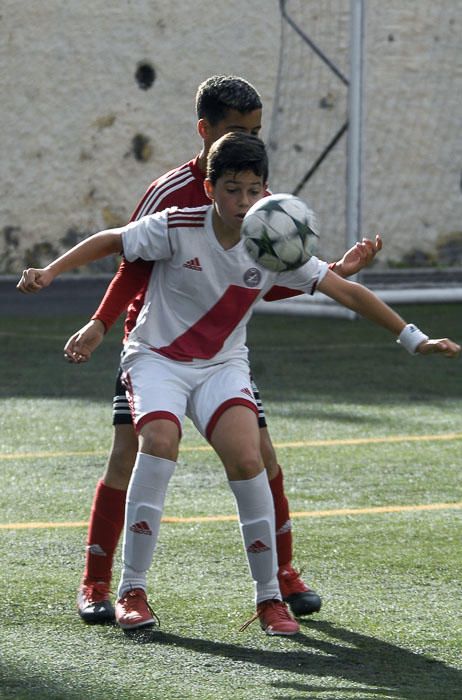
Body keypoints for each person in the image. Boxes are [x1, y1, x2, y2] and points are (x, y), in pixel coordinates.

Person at [17, 132, 460, 636]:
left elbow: (346, 292)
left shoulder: (273, 241)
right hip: (155, 359)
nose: (244, 201)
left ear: (266, 191)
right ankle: (131, 590)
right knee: (158, 442)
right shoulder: (177, 225)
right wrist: (51, 272)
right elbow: (112, 241)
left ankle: (271, 598)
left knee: (249, 458)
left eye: (254, 190)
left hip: (222, 366)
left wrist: (413, 338)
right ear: (209, 189)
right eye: (232, 189)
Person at [54, 75, 382, 625]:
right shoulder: (170, 194)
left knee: (260, 455)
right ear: (204, 131)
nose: (248, 140)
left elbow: (251, 276)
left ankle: (281, 576)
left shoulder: (253, 192)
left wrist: (327, 275)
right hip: (157, 344)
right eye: (236, 130)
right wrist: (101, 324)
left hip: (222, 352)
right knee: (129, 455)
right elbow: (131, 261)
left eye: (256, 131)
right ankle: (97, 582)